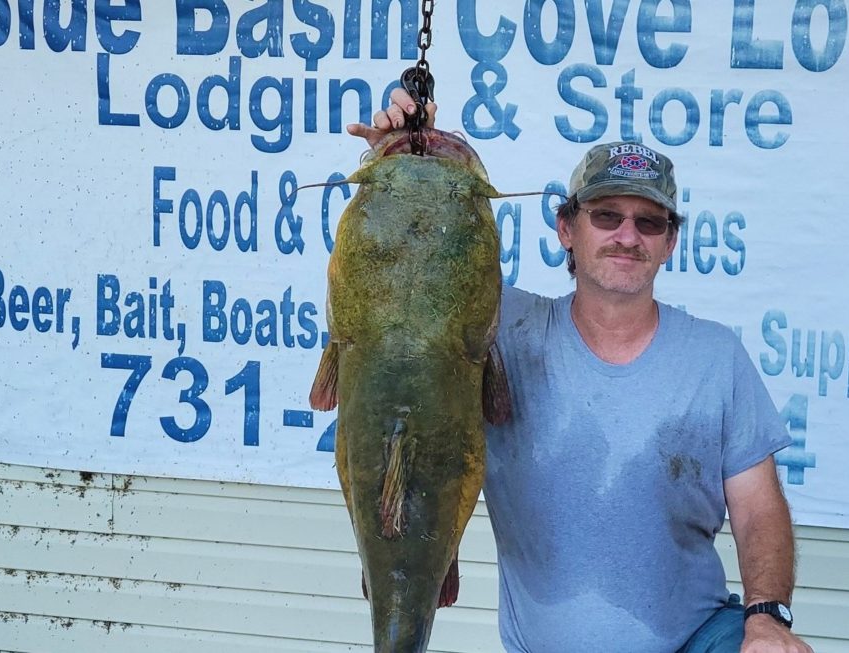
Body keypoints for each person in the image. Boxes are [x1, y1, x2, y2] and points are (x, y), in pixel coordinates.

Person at [348, 89, 814, 653]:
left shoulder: (716, 358)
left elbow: (759, 508)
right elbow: (401, 278)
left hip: (698, 638)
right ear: (566, 228)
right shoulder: (498, 329)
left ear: (670, 242)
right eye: (607, 215)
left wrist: (767, 616)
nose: (627, 235)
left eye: (649, 222)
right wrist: (404, 153)